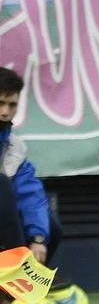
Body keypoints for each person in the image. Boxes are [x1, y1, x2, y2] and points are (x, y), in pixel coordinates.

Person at [0, 67, 55, 275]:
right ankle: (19, 277)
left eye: (12, 105)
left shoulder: (16, 147)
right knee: (2, 184)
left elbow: (30, 194)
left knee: (51, 227)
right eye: (0, 103)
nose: (5, 112)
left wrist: (38, 238)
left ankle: (14, 294)